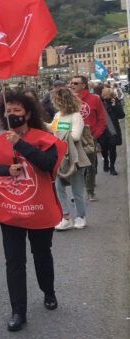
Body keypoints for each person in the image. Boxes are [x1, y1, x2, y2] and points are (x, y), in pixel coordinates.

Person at [0, 91, 65, 332]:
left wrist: (19, 144)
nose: (12, 114)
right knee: (14, 261)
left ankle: (48, 291)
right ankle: (18, 311)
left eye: (17, 110)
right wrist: (5, 170)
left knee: (42, 253)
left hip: (39, 208)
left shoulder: (44, 139)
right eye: (8, 110)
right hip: (10, 211)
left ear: (27, 114)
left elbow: (48, 164)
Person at [50, 88, 91, 230]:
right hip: (59, 157)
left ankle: (81, 216)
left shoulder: (76, 116)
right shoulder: (57, 115)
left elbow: (76, 136)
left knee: (77, 190)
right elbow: (52, 128)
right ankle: (65, 217)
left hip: (74, 157)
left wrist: (58, 136)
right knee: (58, 188)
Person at [70, 75, 105, 201]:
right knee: (75, 167)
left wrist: (95, 135)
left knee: (90, 167)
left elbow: (102, 119)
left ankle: (90, 191)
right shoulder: (70, 100)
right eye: (71, 83)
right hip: (73, 138)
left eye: (75, 83)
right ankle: (77, 193)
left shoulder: (94, 99)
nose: (72, 85)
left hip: (90, 138)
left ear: (83, 85)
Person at [99, 87, 124, 175]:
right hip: (102, 130)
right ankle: (106, 161)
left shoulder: (115, 101)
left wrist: (115, 106)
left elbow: (121, 115)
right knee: (104, 149)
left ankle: (112, 167)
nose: (107, 98)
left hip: (113, 129)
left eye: (109, 96)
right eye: (106, 96)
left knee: (113, 149)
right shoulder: (99, 102)